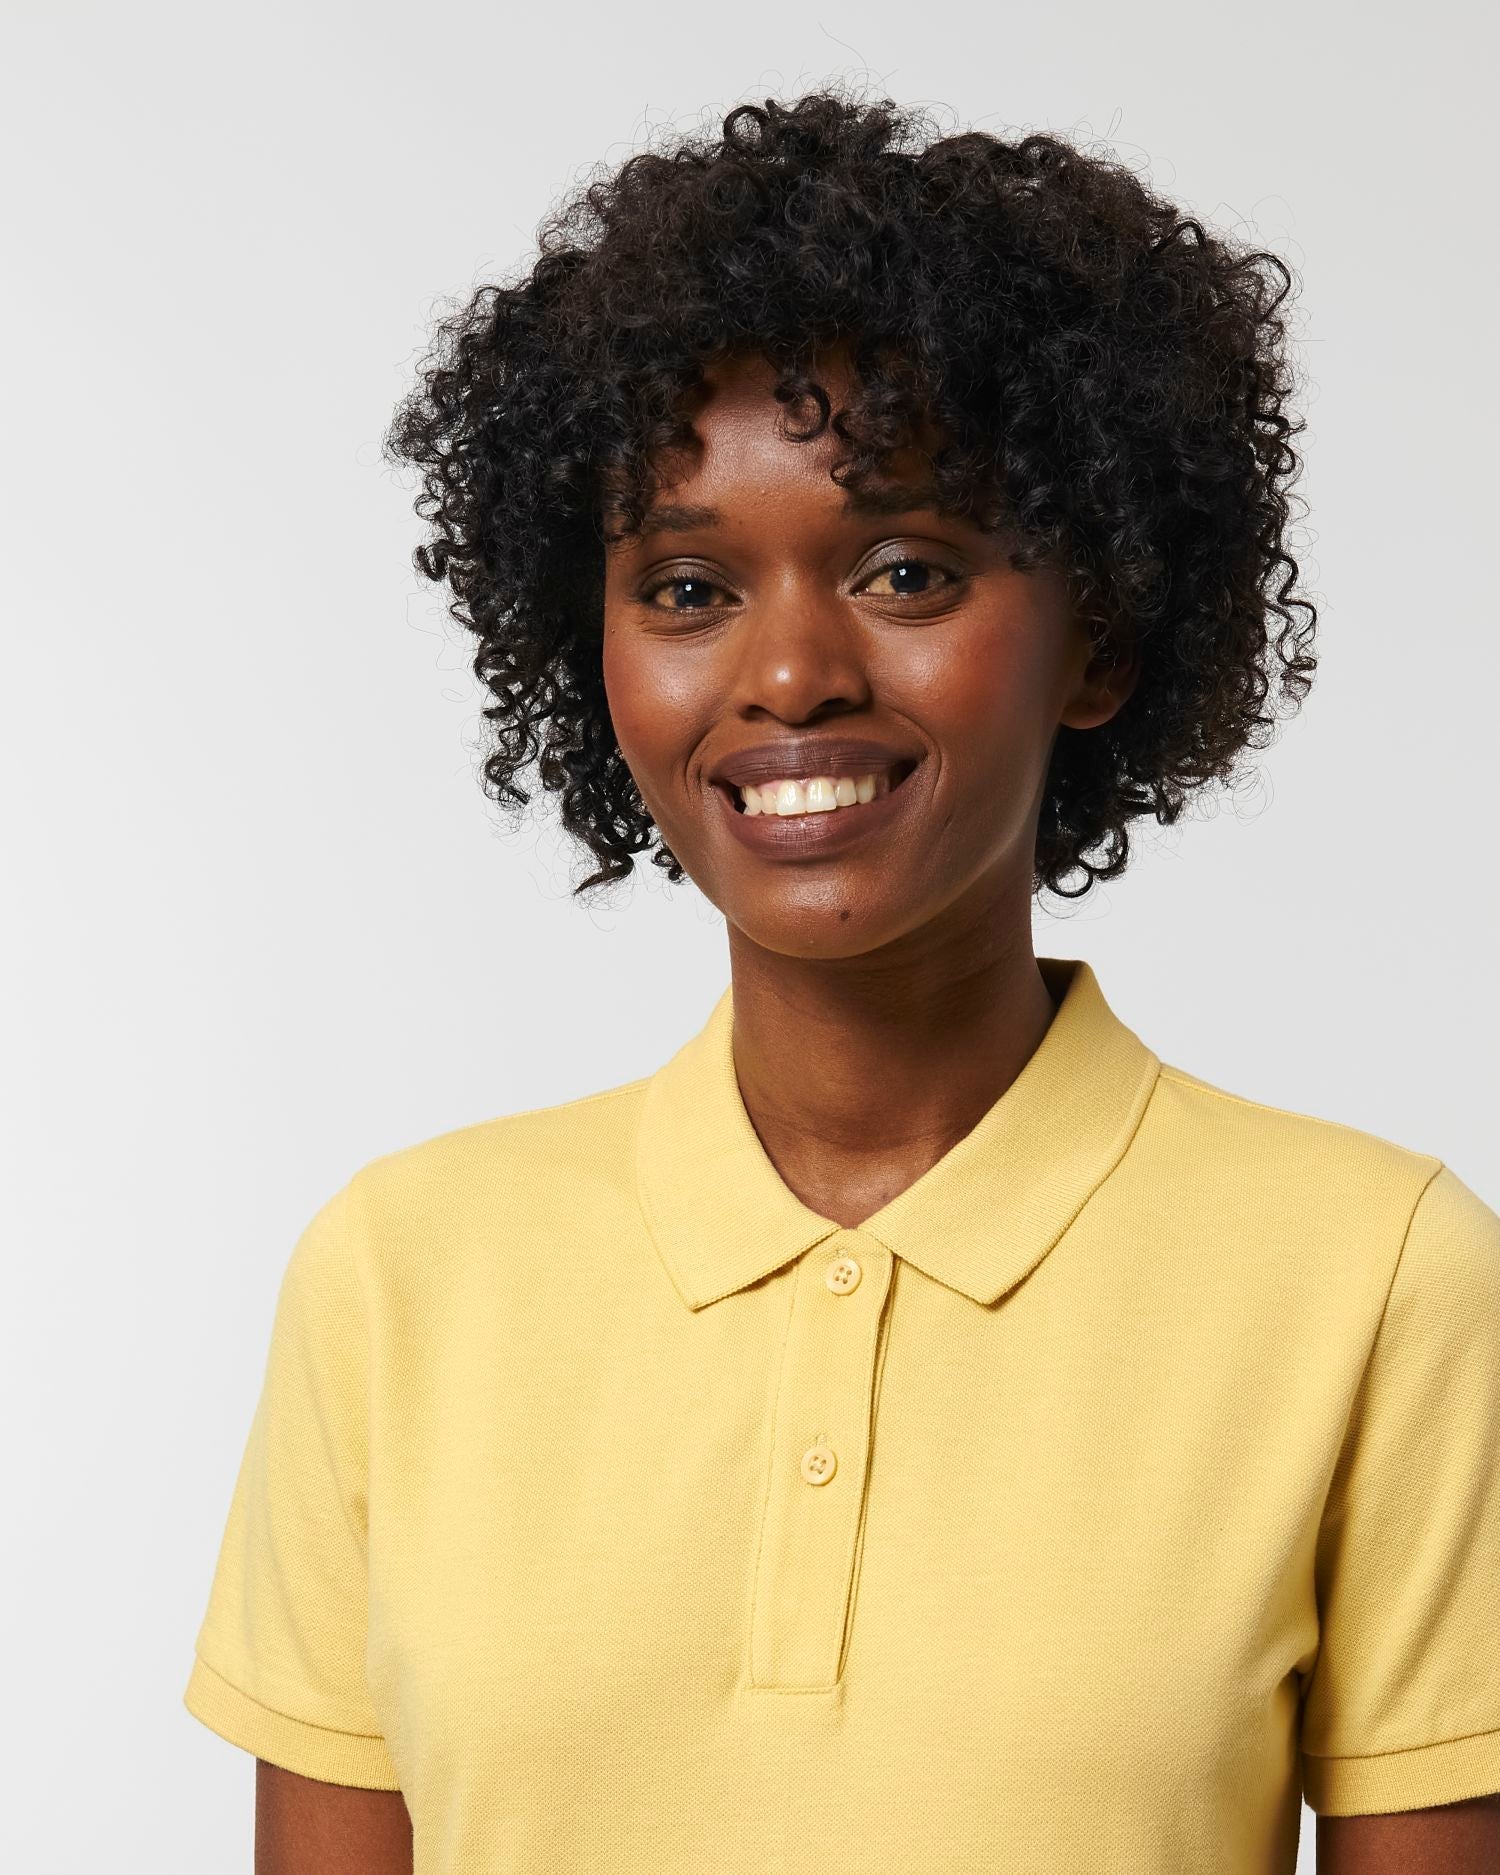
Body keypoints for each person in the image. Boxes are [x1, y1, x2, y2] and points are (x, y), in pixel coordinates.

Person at [182, 90, 1500, 1874]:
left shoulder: (1382, 1280)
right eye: (687, 587)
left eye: (905, 570)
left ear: (1100, 635)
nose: (791, 673)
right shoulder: (398, 1279)